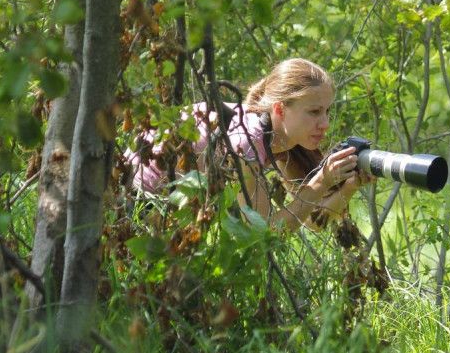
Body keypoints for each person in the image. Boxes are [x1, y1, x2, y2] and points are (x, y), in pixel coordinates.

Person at [125, 58, 372, 231]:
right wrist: (321, 181)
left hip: (159, 212)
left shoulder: (280, 137)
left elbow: (310, 220)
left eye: (327, 111)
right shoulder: (249, 141)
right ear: (280, 109)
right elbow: (265, 235)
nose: (325, 124)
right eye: (314, 112)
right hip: (133, 205)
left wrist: (349, 186)